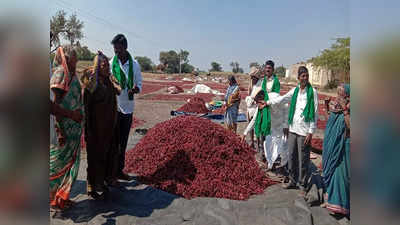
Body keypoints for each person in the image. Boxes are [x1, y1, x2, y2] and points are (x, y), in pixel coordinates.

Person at [266, 66, 318, 192]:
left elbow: (314, 112)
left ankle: (302, 183)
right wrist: (267, 103)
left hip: (304, 130)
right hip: (293, 129)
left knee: (303, 158)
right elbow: (281, 99)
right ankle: (292, 180)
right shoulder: (294, 91)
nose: (305, 78)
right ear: (298, 78)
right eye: (303, 76)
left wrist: (310, 132)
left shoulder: (312, 92)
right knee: (291, 156)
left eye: (306, 76)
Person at [82, 52, 122, 199]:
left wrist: (113, 79)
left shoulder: (108, 81)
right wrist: (88, 128)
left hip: (108, 126)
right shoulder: (93, 83)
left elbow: (119, 90)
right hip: (96, 127)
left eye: (107, 66)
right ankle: (91, 185)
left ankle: (103, 181)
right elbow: (86, 105)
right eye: (104, 66)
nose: (107, 68)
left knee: (106, 155)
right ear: (97, 67)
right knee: (94, 157)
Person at [49, 45, 83, 211]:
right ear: (66, 58)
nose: (76, 59)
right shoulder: (61, 74)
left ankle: (61, 198)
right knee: (57, 165)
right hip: (65, 128)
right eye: (74, 57)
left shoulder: (72, 73)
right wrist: (61, 130)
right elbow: (54, 107)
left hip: (74, 130)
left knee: (68, 166)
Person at [110, 34, 142, 180]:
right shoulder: (111, 64)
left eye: (119, 50)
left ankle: (119, 171)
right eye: (115, 50)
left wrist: (135, 89)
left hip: (128, 108)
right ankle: (111, 172)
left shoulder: (134, 65)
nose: (116, 52)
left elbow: (139, 84)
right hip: (114, 108)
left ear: (125, 48)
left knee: (123, 142)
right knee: (113, 142)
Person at [321, 83, 350, 216]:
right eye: (337, 93)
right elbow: (329, 121)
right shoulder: (336, 107)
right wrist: (326, 106)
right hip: (333, 146)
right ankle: (332, 201)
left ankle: (342, 205)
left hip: (345, 147)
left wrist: (345, 111)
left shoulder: (349, 108)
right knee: (333, 173)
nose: (338, 96)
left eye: (341, 94)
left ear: (348, 96)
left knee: (341, 175)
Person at [242, 90, 289, 171]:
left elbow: (286, 107)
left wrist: (286, 125)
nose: (258, 105)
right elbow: (254, 120)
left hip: (281, 125)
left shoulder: (275, 97)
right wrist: (245, 132)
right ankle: (271, 164)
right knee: (268, 145)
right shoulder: (261, 106)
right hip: (271, 126)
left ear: (262, 99)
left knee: (282, 146)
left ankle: (285, 166)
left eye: (258, 103)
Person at [252, 60, 282, 156]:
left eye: (269, 68)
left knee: (269, 131)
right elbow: (259, 92)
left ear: (273, 69)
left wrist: (268, 101)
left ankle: (270, 153)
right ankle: (262, 150)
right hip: (262, 107)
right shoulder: (263, 80)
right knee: (261, 128)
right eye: (266, 68)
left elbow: (276, 95)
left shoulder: (276, 81)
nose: (267, 69)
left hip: (271, 109)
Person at [245, 66, 261, 148]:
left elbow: (260, 97)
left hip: (256, 108)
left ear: (256, 77)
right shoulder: (251, 84)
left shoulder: (260, 85)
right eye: (251, 77)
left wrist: (254, 100)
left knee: (257, 127)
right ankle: (251, 142)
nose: (251, 78)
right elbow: (249, 94)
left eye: (253, 77)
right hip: (250, 108)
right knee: (250, 127)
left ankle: (258, 144)